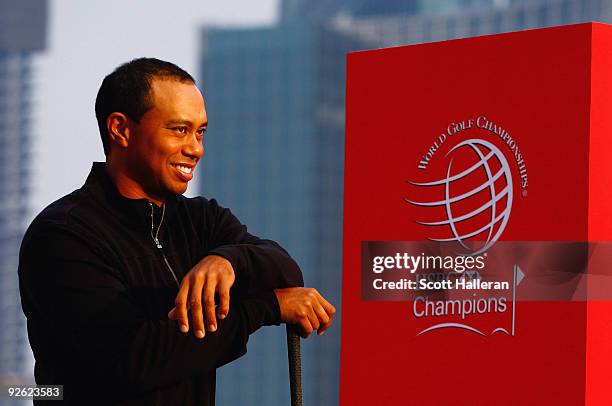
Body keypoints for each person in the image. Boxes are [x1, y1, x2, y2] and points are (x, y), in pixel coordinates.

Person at [18, 58, 335, 405]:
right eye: (179, 130)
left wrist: (227, 260)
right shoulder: (62, 235)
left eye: (200, 132)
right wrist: (265, 308)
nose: (195, 148)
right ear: (120, 130)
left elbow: (286, 270)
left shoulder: (201, 220)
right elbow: (134, 359)